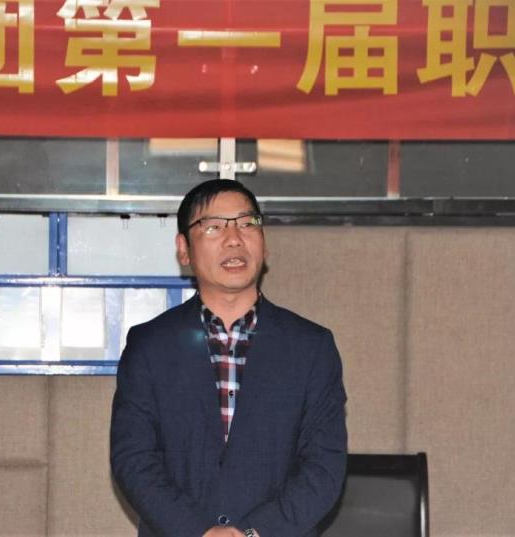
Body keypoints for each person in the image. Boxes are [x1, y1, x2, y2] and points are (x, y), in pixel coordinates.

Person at [110, 179, 347, 537]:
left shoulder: (312, 347)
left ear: (264, 242)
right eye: (214, 227)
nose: (234, 238)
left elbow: (324, 467)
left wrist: (254, 532)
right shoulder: (149, 346)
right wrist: (199, 531)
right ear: (184, 249)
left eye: (247, 223)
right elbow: (134, 460)